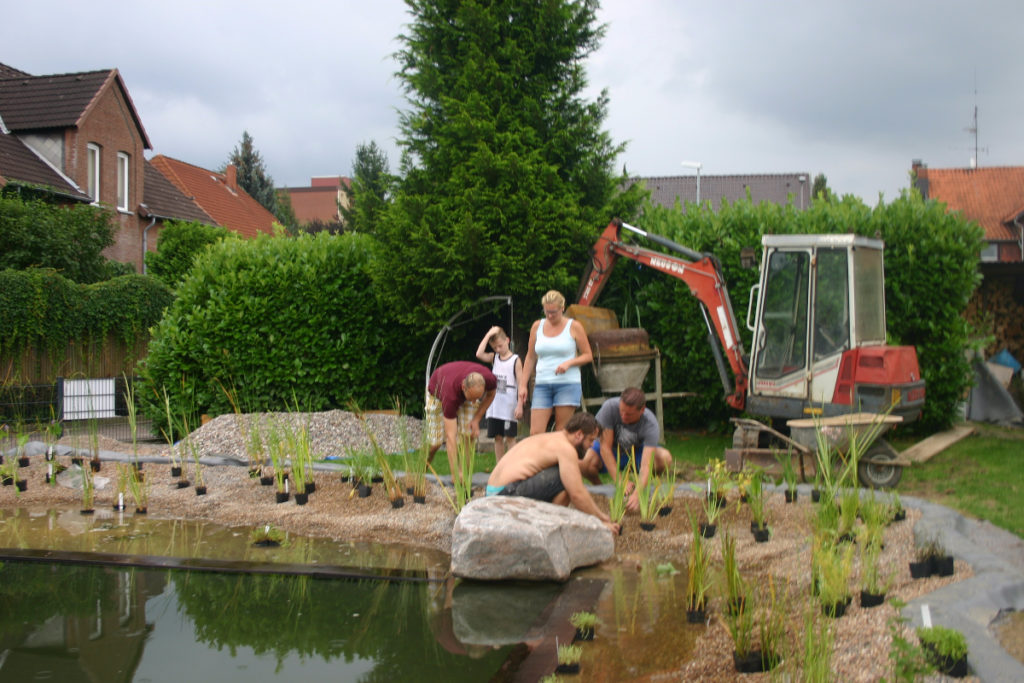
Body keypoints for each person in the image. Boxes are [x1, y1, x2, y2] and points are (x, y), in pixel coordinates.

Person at [485, 411, 618, 534]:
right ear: (578, 434)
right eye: (591, 440)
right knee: (565, 481)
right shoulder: (565, 448)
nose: (591, 446)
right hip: (503, 497)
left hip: (493, 493)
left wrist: (601, 516)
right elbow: (577, 493)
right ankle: (548, 529)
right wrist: (600, 521)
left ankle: (547, 524)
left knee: (564, 481)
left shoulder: (553, 438)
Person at [580, 387, 673, 512]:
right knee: (586, 463)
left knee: (664, 458)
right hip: (611, 450)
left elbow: (646, 465)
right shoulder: (610, 408)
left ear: (642, 410)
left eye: (629, 414)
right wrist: (621, 482)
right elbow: (605, 448)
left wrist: (636, 496)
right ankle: (602, 491)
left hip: (636, 454)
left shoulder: (650, 424)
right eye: (621, 411)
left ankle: (644, 488)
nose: (623, 416)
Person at [519, 290, 593, 435]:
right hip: (542, 383)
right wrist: (522, 385)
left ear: (562, 308)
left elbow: (588, 355)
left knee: (562, 431)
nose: (550, 316)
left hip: (567, 383)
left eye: (554, 312)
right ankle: (541, 458)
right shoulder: (537, 326)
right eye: (547, 312)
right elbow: (530, 357)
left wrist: (569, 363)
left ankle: (558, 458)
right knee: (536, 432)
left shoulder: (574, 326)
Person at [425, 361, 497, 484]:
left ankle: (463, 479)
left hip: (461, 390)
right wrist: (454, 473)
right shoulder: (450, 396)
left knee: (468, 437)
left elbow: (491, 394)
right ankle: (421, 471)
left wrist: (476, 419)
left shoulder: (489, 379)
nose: (475, 403)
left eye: (477, 398)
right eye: (472, 398)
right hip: (437, 394)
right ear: (464, 387)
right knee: (435, 443)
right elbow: (450, 438)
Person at [475, 325, 524, 462]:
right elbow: (479, 354)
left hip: (509, 406)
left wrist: (520, 404)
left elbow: (521, 384)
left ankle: (513, 466)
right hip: (495, 406)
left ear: (507, 340)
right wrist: (489, 334)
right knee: (497, 437)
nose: (498, 349)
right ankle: (500, 467)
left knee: (510, 437)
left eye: (500, 346)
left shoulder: (515, 360)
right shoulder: (494, 358)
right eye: (495, 347)